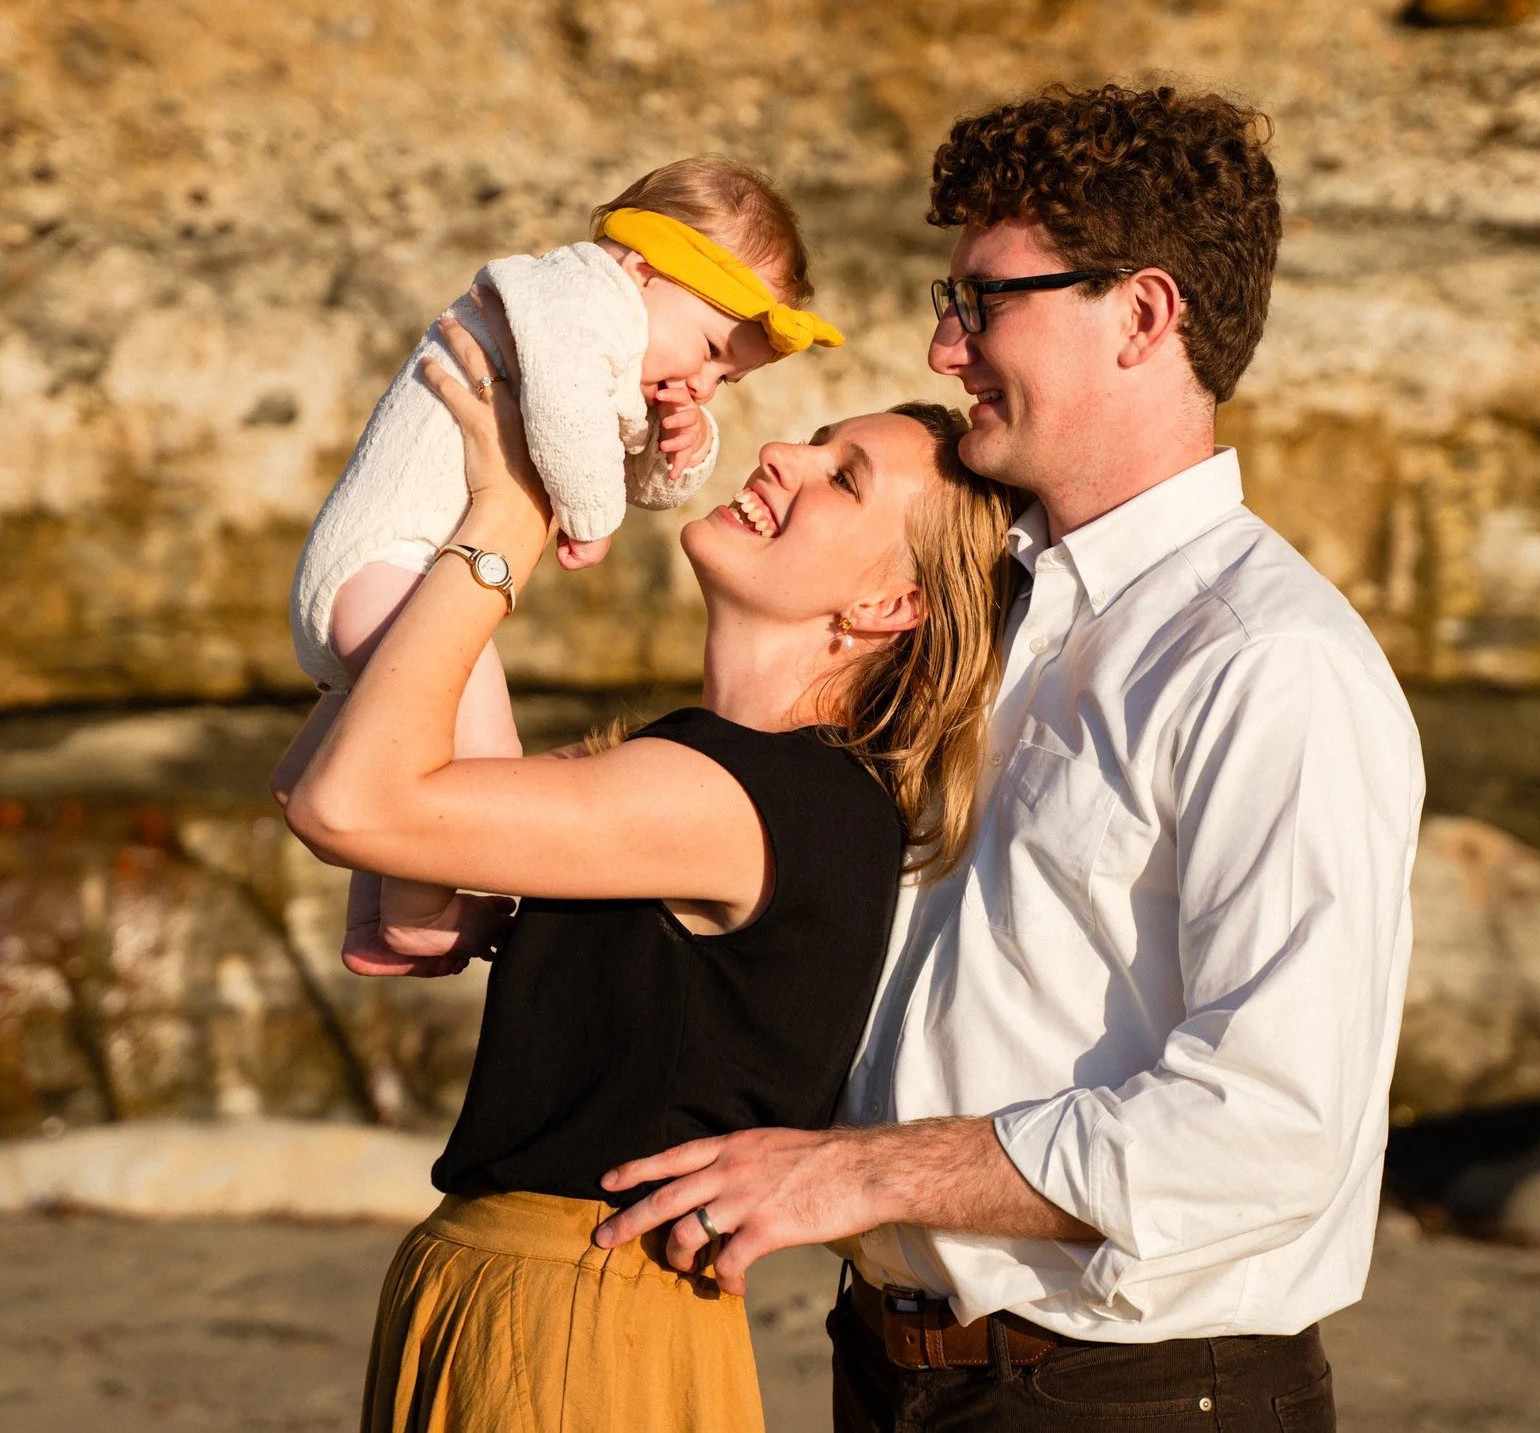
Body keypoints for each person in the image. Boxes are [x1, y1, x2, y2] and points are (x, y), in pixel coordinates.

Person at [595, 82, 1426, 1432]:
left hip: (1136, 1397)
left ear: (1144, 316)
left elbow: (1274, 1127)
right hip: (887, 1366)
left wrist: (859, 1176)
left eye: (986, 301)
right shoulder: (990, 604)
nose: (943, 342)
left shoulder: (1270, 664)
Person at [278, 319, 1019, 1433]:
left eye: (841, 477)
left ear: (885, 607)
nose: (783, 456)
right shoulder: (726, 780)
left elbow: (349, 802)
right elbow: (327, 795)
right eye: (815, 440)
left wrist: (505, 515)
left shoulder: (742, 799)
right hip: (537, 1297)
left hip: (572, 1320)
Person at [273, 157, 846, 969]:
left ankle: (369, 912)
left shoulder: (611, 336)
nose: (704, 382)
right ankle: (419, 919)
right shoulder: (574, 302)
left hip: (395, 576)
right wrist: (590, 518)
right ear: (644, 271)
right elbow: (568, 422)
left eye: (726, 377)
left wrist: (681, 447)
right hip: (388, 567)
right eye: (711, 350)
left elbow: (632, 467)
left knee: (394, 733)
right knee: (472, 759)